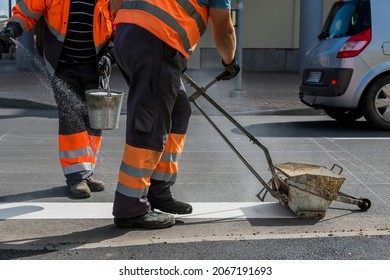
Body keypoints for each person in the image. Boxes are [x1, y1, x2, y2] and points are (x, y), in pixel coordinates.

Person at [111, 0, 240, 229]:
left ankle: (158, 189)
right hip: (155, 41)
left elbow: (115, 3)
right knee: (150, 123)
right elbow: (225, 31)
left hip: (128, 35)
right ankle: (130, 207)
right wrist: (229, 62)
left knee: (179, 110)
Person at [0, 0, 116, 199]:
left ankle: (86, 171)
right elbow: (28, 10)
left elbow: (120, 25)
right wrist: (12, 28)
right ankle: (76, 177)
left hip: (96, 66)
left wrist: (111, 54)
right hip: (63, 66)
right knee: (71, 116)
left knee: (94, 120)